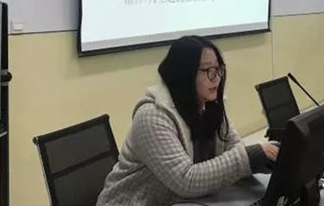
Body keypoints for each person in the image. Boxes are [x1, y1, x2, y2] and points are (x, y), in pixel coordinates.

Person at [97, 35, 279, 205]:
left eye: (219, 69)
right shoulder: (152, 116)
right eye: (208, 70)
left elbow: (233, 147)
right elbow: (186, 180)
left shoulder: (210, 104)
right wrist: (249, 156)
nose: (216, 78)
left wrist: (265, 159)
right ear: (184, 73)